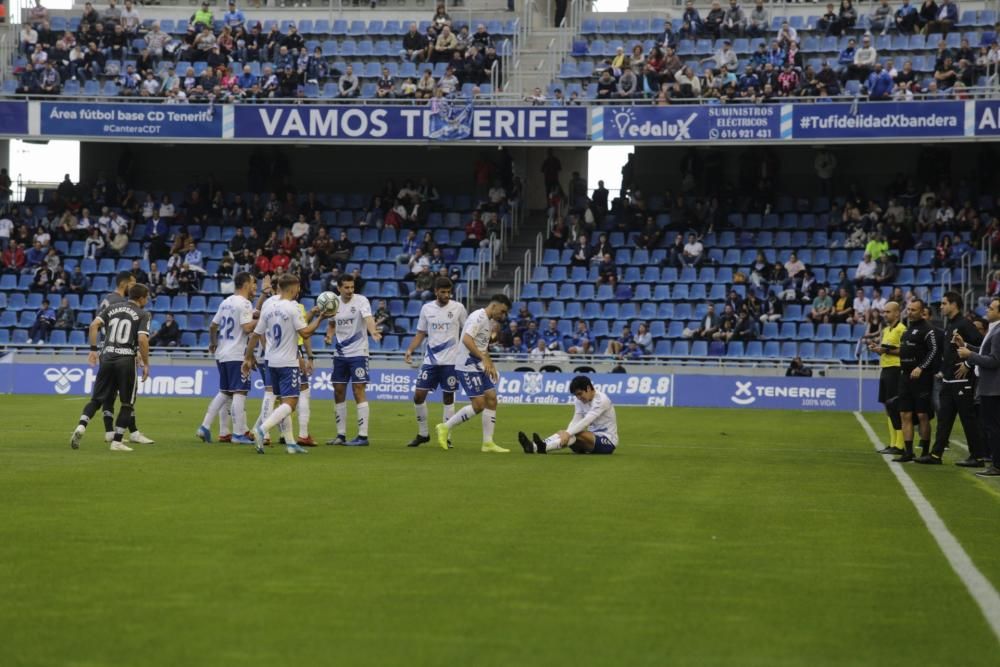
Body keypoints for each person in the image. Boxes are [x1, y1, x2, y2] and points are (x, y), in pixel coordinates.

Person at [244, 274, 330, 455]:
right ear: (292, 288)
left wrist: (248, 357)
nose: (299, 291)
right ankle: (262, 429)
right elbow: (305, 333)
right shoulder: (292, 308)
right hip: (288, 363)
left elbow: (255, 334)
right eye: (298, 287)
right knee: (291, 403)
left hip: (271, 361)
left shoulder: (269, 307)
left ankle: (290, 443)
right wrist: (320, 319)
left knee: (282, 401)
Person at [70, 284, 151, 452]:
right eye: (147, 297)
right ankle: (117, 442)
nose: (147, 300)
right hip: (125, 360)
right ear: (142, 298)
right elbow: (142, 339)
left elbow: (93, 325)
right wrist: (146, 362)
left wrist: (93, 351)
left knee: (96, 399)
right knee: (127, 403)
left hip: (106, 358)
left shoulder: (112, 307)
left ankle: (80, 427)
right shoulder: (143, 314)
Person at [434, 293, 512, 453]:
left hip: (478, 365)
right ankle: (444, 427)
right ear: (494, 306)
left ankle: (488, 443)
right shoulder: (478, 317)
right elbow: (467, 340)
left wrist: (489, 362)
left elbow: (482, 347)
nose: (503, 315)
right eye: (503, 311)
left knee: (492, 399)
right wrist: (483, 358)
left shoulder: (489, 322)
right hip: (467, 366)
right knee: (479, 404)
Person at [917, 292, 986, 466]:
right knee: (944, 419)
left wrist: (969, 365)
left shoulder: (965, 324)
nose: (940, 306)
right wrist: (942, 371)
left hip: (962, 381)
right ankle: (936, 454)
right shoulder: (951, 325)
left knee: (967, 420)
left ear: (954, 304)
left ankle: (977, 457)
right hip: (948, 380)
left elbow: (983, 347)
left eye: (944, 303)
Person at [403, 277, 468, 448]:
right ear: (436, 291)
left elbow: (467, 331)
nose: (446, 295)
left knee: (448, 397)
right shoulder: (427, 309)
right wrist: (410, 349)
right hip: (430, 361)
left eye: (448, 292)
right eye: (443, 292)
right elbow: (420, 333)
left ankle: (447, 435)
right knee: (418, 396)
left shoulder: (458, 308)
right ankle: (423, 433)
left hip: (451, 362)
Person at [197, 272, 257, 445]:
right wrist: (262, 320)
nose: (255, 286)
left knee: (225, 391)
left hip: (222, 354)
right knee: (240, 392)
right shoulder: (245, 303)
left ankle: (205, 426)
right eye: (253, 282)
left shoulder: (226, 302)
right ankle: (238, 434)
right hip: (237, 354)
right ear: (245, 284)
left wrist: (213, 343)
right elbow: (246, 328)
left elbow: (212, 326)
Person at [323, 274, 381, 446]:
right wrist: (329, 336)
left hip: (358, 352)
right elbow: (332, 323)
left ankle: (363, 436)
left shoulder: (361, 300)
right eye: (346, 287)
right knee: (338, 390)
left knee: (358, 390)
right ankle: (340, 435)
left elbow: (368, 319)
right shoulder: (334, 302)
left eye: (352, 287)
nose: (350, 291)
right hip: (340, 353)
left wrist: (373, 331)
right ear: (339, 288)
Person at [97, 270, 153, 445]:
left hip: (107, 349)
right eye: (132, 283)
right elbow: (130, 332)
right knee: (125, 395)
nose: (134, 287)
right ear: (125, 284)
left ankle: (114, 431)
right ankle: (122, 432)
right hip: (119, 352)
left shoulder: (109, 299)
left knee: (113, 393)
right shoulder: (121, 303)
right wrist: (137, 353)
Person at [954, 298, 1000, 477]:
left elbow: (994, 360)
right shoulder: (994, 329)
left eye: (991, 308)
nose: (987, 310)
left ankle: (996, 465)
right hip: (990, 387)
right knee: (992, 427)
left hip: (993, 388)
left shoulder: (998, 332)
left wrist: (969, 355)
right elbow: (984, 352)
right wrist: (965, 346)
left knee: (993, 428)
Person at [518, 375, 618, 454]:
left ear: (588, 388)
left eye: (580, 393)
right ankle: (533, 446)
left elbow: (586, 421)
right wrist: (566, 433)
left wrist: (568, 433)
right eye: (576, 395)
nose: (578, 397)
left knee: (575, 433)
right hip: (590, 441)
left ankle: (541, 447)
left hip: (607, 442)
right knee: (566, 432)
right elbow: (576, 419)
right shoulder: (579, 401)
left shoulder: (601, 400)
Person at [894, 299, 940, 462]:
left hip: (922, 378)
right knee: (904, 413)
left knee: (922, 415)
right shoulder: (907, 329)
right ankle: (908, 452)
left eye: (913, 310)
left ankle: (925, 452)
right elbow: (906, 350)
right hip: (905, 376)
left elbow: (934, 350)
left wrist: (921, 367)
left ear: (922, 312)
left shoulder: (928, 329)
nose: (910, 312)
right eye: (908, 309)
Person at [867, 301, 907, 455]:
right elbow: (885, 350)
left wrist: (886, 351)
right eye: (884, 312)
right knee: (887, 406)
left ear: (897, 313)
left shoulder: (902, 329)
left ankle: (900, 444)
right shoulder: (885, 330)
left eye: (888, 312)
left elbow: (905, 350)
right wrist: (877, 348)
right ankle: (892, 443)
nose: (885, 314)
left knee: (896, 406)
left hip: (896, 370)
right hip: (885, 369)